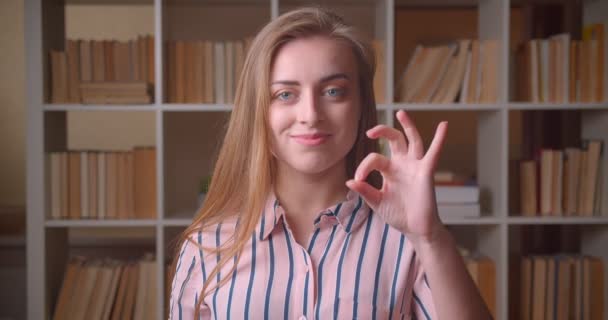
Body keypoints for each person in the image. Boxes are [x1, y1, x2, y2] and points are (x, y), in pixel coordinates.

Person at [169, 6, 491, 320]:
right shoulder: (206, 244)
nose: (310, 115)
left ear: (361, 106)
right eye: (285, 94)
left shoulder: (406, 240)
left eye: (334, 91)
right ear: (258, 111)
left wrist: (431, 236)